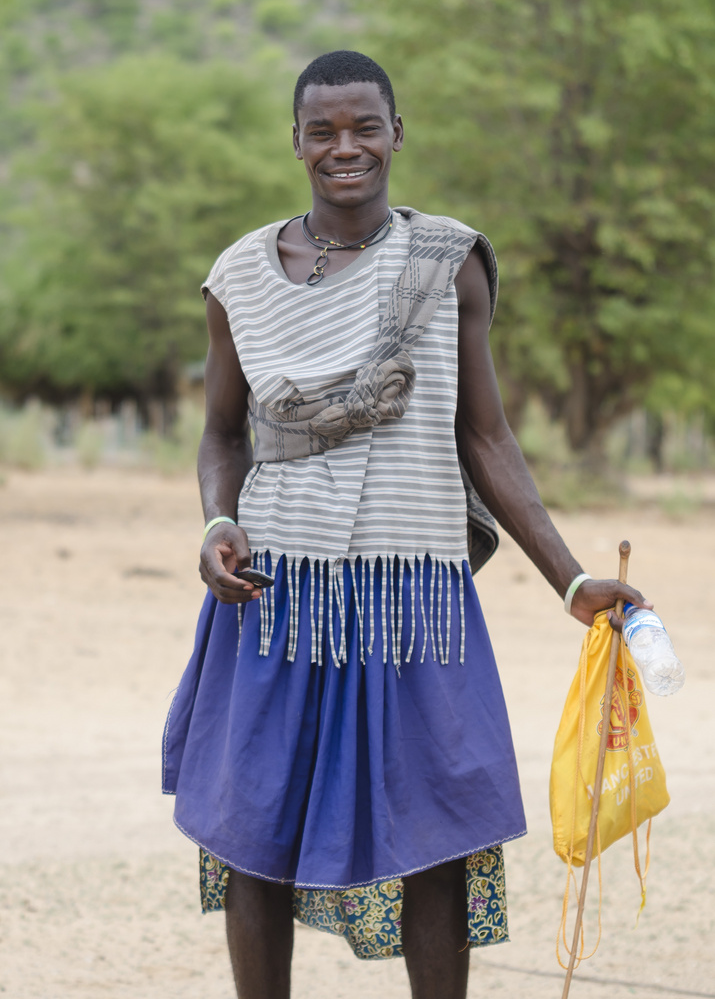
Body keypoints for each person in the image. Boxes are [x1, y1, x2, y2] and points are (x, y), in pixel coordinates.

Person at [162, 50, 650, 999]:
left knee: (438, 825)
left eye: (364, 127)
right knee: (256, 824)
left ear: (395, 133)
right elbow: (221, 436)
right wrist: (218, 519)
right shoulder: (237, 275)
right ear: (296, 143)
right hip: (275, 593)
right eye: (322, 131)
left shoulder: (448, 260)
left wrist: (570, 578)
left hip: (414, 592)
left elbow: (488, 438)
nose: (344, 148)